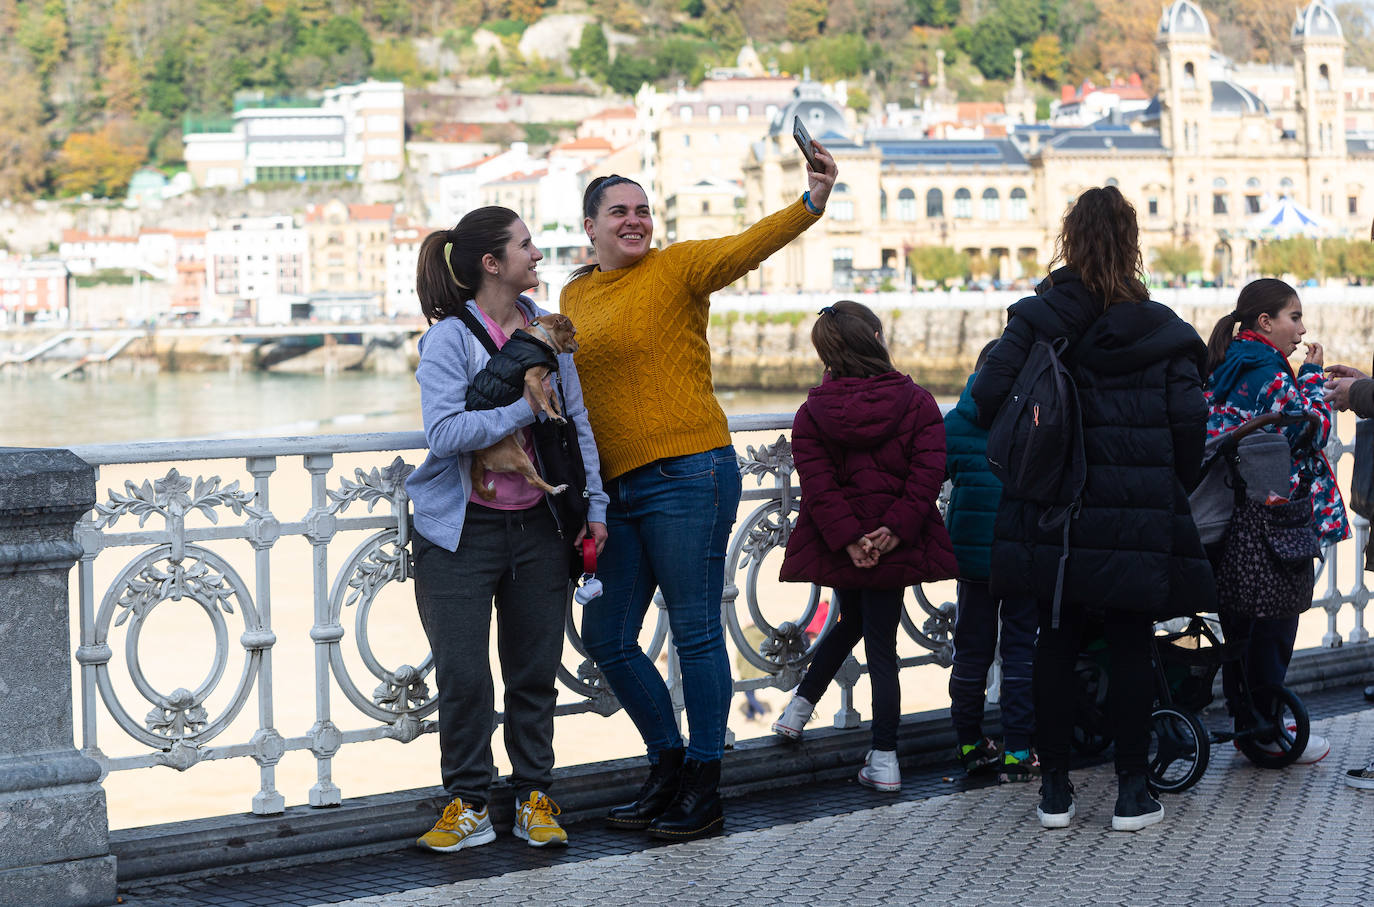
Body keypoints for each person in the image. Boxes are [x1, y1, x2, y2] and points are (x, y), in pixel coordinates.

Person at [561, 143, 838, 841]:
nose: (635, 221)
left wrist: (811, 200)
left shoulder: (677, 267)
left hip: (690, 471)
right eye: (619, 211)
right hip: (616, 492)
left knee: (693, 631)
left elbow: (748, 245)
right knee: (609, 635)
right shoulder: (575, 294)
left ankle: (705, 786)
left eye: (643, 210)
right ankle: (669, 764)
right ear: (589, 225)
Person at [971, 186, 1215, 832]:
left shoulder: (1040, 317)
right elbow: (1192, 423)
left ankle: (1055, 791)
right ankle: (1133, 792)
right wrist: (1165, 485)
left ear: (1069, 239)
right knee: (1134, 642)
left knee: (1056, 637)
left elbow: (984, 398)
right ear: (1133, 243)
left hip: (1055, 508)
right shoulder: (1164, 328)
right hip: (1136, 511)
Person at [406, 206, 608, 853]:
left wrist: (595, 508)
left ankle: (532, 796)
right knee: (464, 675)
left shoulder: (546, 331)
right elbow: (444, 434)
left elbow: (577, 425)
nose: (536, 254)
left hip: (539, 526)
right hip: (460, 533)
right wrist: (525, 406)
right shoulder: (448, 340)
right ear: (491, 263)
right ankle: (466, 801)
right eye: (525, 245)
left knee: (533, 671)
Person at [770, 300, 958, 793]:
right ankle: (885, 756)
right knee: (879, 645)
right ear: (875, 339)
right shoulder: (917, 402)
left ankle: (799, 708)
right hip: (896, 542)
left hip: (845, 542)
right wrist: (893, 529)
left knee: (854, 622)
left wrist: (850, 538)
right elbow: (927, 473)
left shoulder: (812, 413)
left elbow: (818, 485)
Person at [1203, 278, 1347, 766]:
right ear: (1265, 322)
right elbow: (1311, 428)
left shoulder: (1228, 363)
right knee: (1275, 622)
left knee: (1244, 625)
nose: (1302, 329)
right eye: (1294, 317)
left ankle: (1251, 725)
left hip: (1233, 518)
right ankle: (1265, 729)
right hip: (1272, 520)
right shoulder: (1267, 368)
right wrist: (1311, 375)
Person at [944, 340, 1038, 783]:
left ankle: (968, 743)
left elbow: (930, 476)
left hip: (970, 558)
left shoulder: (957, 422)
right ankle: (1019, 749)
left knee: (971, 652)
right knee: (1020, 653)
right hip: (1021, 555)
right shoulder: (1033, 420)